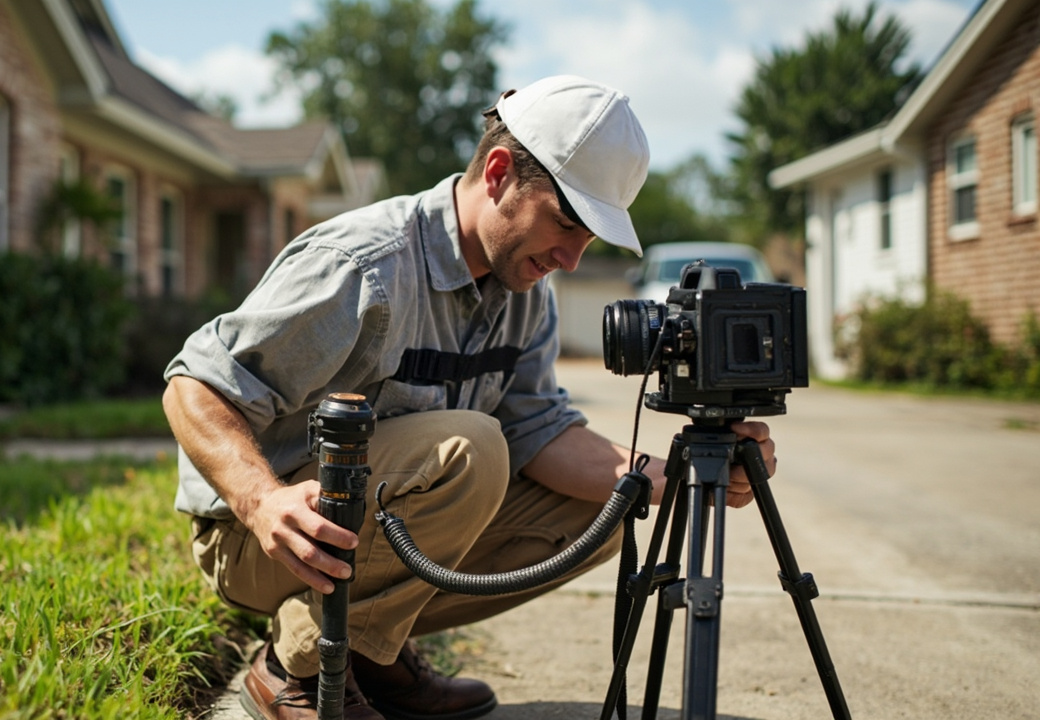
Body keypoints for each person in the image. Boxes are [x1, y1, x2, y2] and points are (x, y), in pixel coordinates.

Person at [162, 75, 777, 720]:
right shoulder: (362, 265)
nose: (571, 258)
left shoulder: (527, 293)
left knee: (615, 506)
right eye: (565, 222)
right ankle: (297, 666)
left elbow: (540, 432)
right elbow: (193, 384)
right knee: (473, 450)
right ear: (499, 173)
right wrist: (261, 502)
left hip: (363, 528)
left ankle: (371, 651)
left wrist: (683, 473)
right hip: (264, 538)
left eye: (589, 237)